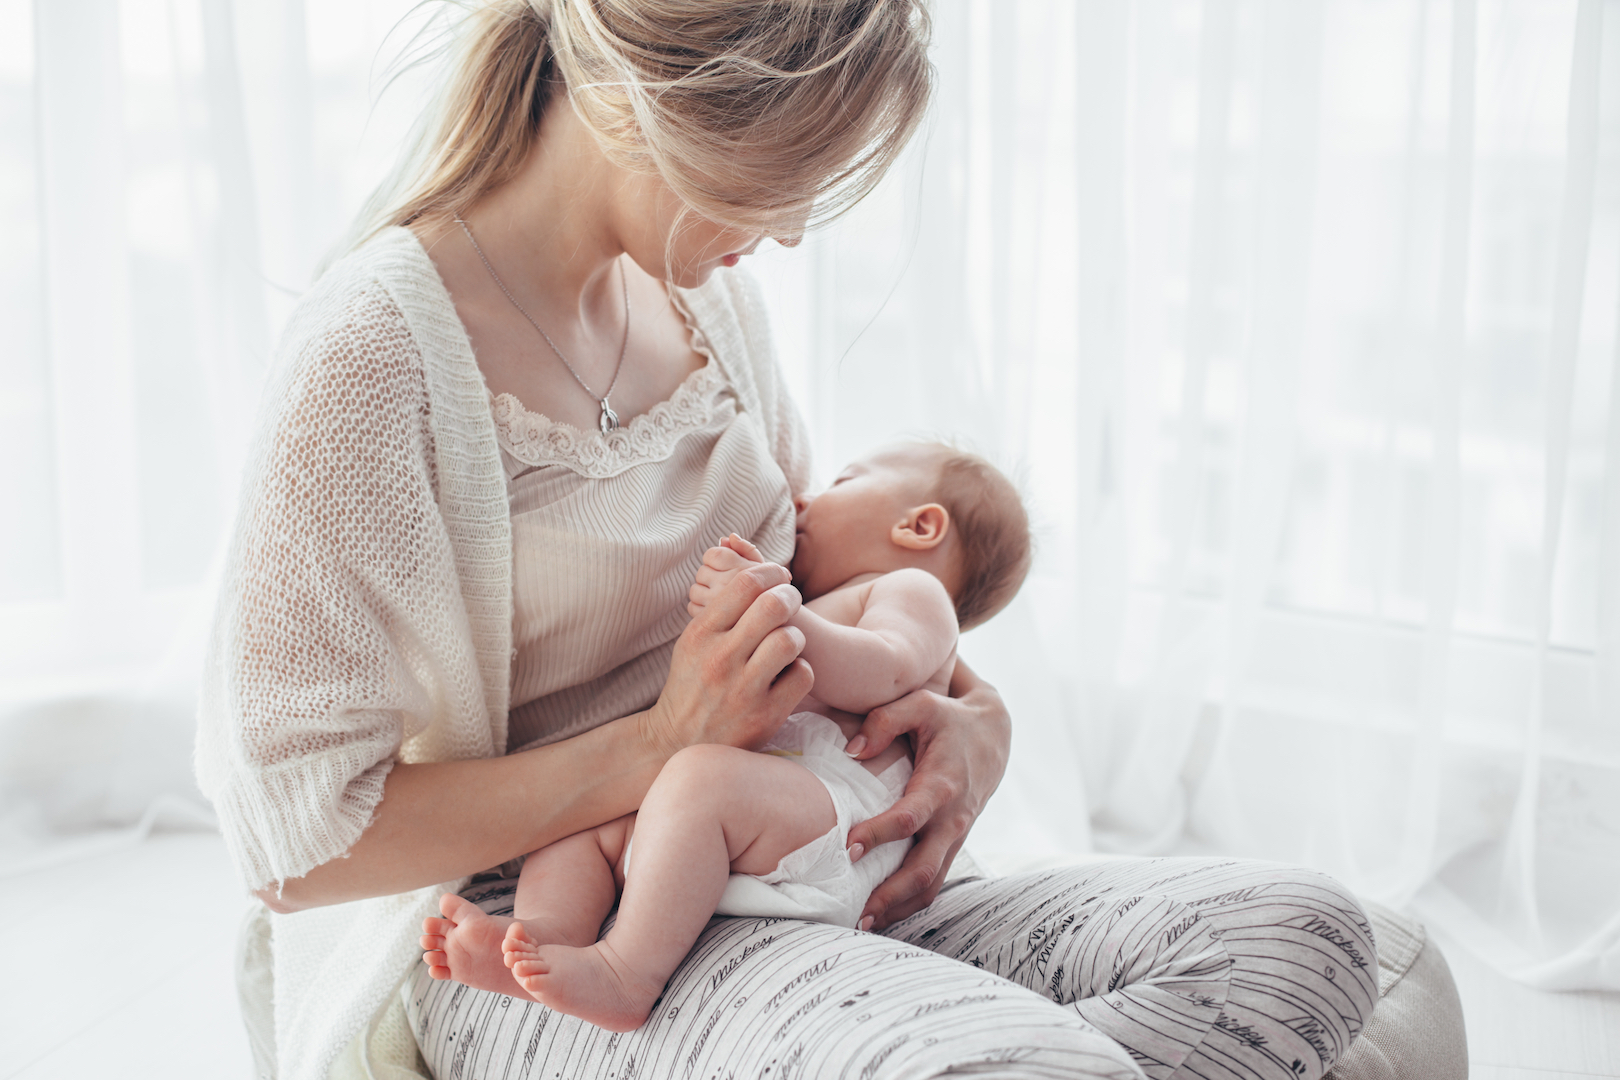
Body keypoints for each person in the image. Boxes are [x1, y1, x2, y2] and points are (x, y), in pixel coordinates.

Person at [197, 2, 1379, 1079]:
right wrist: (660, 749)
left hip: (801, 860)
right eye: (787, 174)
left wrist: (974, 718)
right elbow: (298, 852)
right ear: (666, 105)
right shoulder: (375, 360)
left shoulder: (705, 299)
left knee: (1305, 940)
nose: (797, 230)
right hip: (563, 923)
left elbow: (830, 581)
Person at [416, 442, 1031, 1031]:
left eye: (842, 480)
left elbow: (884, 668)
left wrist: (779, 612)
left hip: (844, 822)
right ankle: (542, 937)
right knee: (584, 824)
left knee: (698, 779)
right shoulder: (835, 598)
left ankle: (625, 974)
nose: (805, 501)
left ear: (919, 526)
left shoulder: (914, 594)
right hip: (765, 820)